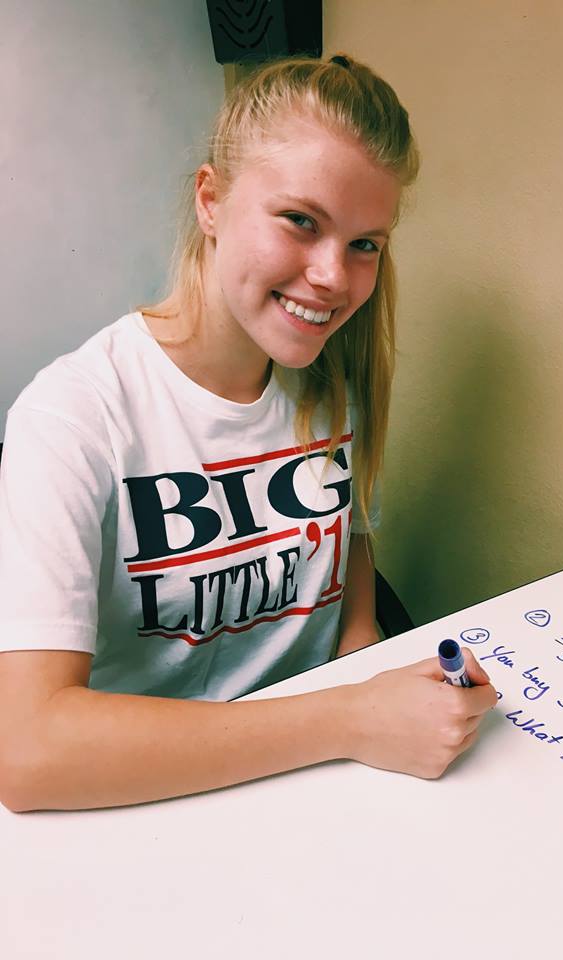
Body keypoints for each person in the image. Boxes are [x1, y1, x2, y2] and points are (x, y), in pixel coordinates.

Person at [0, 54, 496, 812]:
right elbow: (29, 754)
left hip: (311, 790)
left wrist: (391, 704)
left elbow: (350, 605)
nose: (334, 275)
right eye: (301, 221)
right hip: (136, 805)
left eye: (366, 243)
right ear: (211, 201)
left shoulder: (335, 387)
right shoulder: (72, 417)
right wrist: (350, 720)